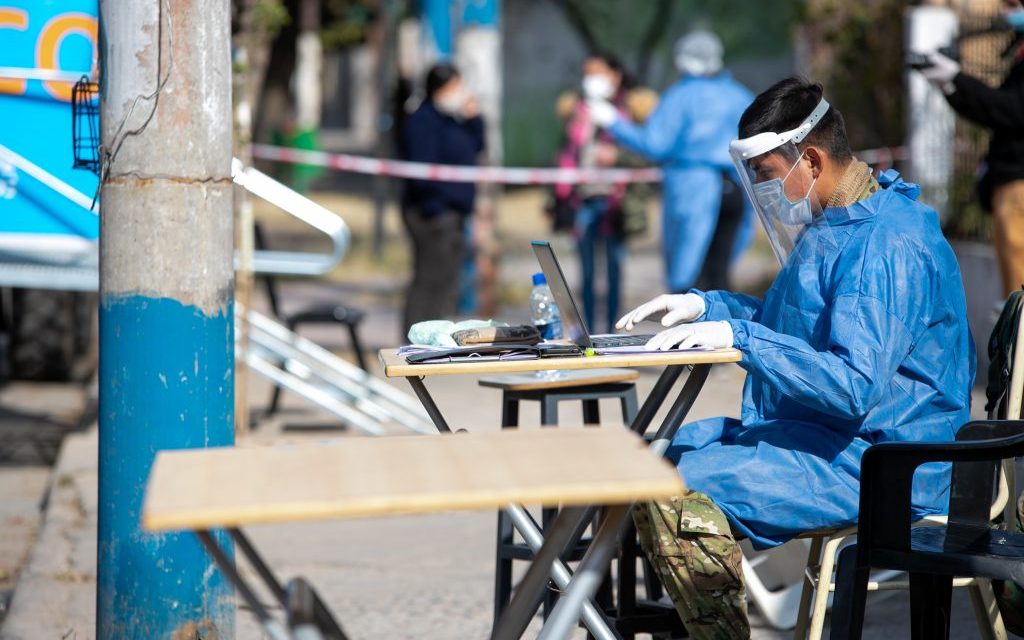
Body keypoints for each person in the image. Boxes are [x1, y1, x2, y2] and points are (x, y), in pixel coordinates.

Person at [615, 77, 975, 638]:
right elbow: (797, 322)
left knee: (675, 490)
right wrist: (704, 306)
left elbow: (852, 384)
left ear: (809, 158)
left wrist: (741, 336)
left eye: (765, 175)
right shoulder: (841, 221)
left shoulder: (885, 245)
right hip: (835, 438)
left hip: (888, 462)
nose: (762, 191)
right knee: (647, 459)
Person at [588, 30, 753, 293]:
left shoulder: (680, 96)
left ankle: (690, 333)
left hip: (693, 189)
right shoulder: (740, 95)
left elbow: (655, 144)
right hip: (736, 188)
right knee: (721, 276)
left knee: (688, 280)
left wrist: (613, 122)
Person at [918, 0, 1024, 296]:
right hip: (1009, 186)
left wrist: (956, 79)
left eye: (1014, 4)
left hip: (1019, 188)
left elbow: (1012, 110)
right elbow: (995, 112)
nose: (1007, 12)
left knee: (1019, 301)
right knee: (1013, 298)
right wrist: (952, 85)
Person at [549, 53, 653, 333]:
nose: (591, 80)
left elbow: (644, 154)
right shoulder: (576, 111)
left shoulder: (628, 111)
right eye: (587, 74)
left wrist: (616, 155)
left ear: (615, 75)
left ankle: (611, 332)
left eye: (598, 73)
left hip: (615, 204)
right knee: (586, 274)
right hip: (582, 200)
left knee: (614, 271)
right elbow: (566, 154)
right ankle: (588, 334)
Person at [399, 63, 485, 336]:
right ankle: (414, 338)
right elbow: (421, 173)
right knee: (428, 281)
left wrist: (474, 119)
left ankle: (436, 335)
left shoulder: (452, 120)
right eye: (455, 87)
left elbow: (476, 147)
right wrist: (436, 210)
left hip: (454, 213)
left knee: (448, 282)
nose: (460, 93)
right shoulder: (422, 120)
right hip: (432, 214)